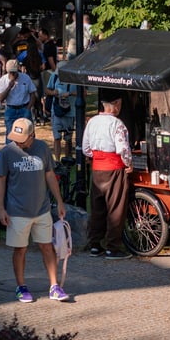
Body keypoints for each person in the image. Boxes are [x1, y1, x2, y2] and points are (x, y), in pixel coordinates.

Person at [0, 118, 67, 303]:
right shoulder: (7, 152)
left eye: (22, 139)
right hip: (16, 212)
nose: (18, 142)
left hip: (41, 209)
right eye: (15, 138)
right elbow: (1, 179)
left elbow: (49, 174)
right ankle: (21, 286)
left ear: (32, 135)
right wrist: (1, 208)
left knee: (47, 247)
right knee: (20, 250)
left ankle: (54, 286)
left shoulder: (42, 148)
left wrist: (59, 201)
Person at [82, 90, 133, 260]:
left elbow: (86, 148)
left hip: (98, 168)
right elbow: (123, 149)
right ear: (117, 104)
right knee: (115, 208)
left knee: (97, 207)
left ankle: (95, 244)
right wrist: (128, 164)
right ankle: (113, 246)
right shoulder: (117, 124)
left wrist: (95, 157)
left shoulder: (92, 122)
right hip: (114, 168)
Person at [0, 59, 36, 143]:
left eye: (14, 72)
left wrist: (28, 108)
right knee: (10, 135)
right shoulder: (3, 80)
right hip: (11, 109)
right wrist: (9, 87)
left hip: (24, 108)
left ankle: (30, 153)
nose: (13, 74)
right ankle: (11, 154)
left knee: (28, 134)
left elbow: (33, 94)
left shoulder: (25, 78)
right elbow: (0, 98)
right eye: (10, 72)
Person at [45, 72, 77, 161]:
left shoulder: (75, 77)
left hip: (70, 113)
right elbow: (47, 90)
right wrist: (53, 92)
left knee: (68, 139)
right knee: (57, 137)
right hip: (56, 112)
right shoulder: (54, 76)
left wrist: (69, 94)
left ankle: (67, 159)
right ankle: (57, 161)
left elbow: (84, 93)